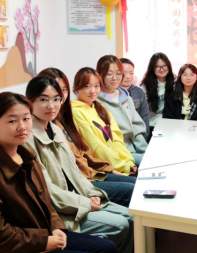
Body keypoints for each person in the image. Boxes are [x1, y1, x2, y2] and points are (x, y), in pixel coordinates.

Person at [0, 92, 117, 253]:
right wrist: (45, 241)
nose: (22, 126)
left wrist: (56, 228)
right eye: (12, 121)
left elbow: (46, 201)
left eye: (26, 118)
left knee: (108, 249)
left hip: (39, 239)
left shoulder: (26, 155)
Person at [24, 76, 133, 253]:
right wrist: (84, 203)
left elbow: (75, 173)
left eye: (56, 98)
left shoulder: (55, 129)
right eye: (43, 99)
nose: (51, 105)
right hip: (62, 211)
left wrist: (93, 194)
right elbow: (47, 191)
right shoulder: (28, 139)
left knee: (131, 217)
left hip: (78, 198)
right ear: (30, 101)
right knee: (121, 225)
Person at [38, 68, 135, 207]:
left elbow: (87, 151)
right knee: (133, 190)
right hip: (82, 182)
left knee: (137, 184)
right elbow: (94, 148)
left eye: (63, 90)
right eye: (87, 86)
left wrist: (113, 168)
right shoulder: (65, 117)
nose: (60, 96)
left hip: (92, 174)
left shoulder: (66, 117)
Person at [71, 67, 137, 176]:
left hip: (118, 163)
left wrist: (129, 162)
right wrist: (122, 166)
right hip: (102, 167)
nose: (93, 91)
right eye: (87, 86)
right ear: (76, 88)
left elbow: (117, 139)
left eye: (96, 86)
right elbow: (96, 146)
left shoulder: (101, 108)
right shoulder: (75, 111)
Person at [97, 55, 148, 166]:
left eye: (118, 73)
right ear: (99, 75)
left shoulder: (126, 98)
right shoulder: (96, 102)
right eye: (109, 74)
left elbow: (137, 128)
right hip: (118, 155)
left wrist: (145, 151)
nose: (115, 78)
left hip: (134, 150)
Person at [141, 52, 175, 132]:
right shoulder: (145, 86)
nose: (161, 69)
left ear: (169, 66)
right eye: (157, 67)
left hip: (171, 126)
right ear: (152, 68)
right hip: (151, 126)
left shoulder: (176, 83)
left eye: (164, 66)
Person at [119, 58, 150, 134]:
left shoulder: (139, 92)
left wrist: (144, 136)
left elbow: (145, 117)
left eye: (131, 73)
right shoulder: (112, 92)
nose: (128, 76)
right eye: (124, 73)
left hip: (139, 134)